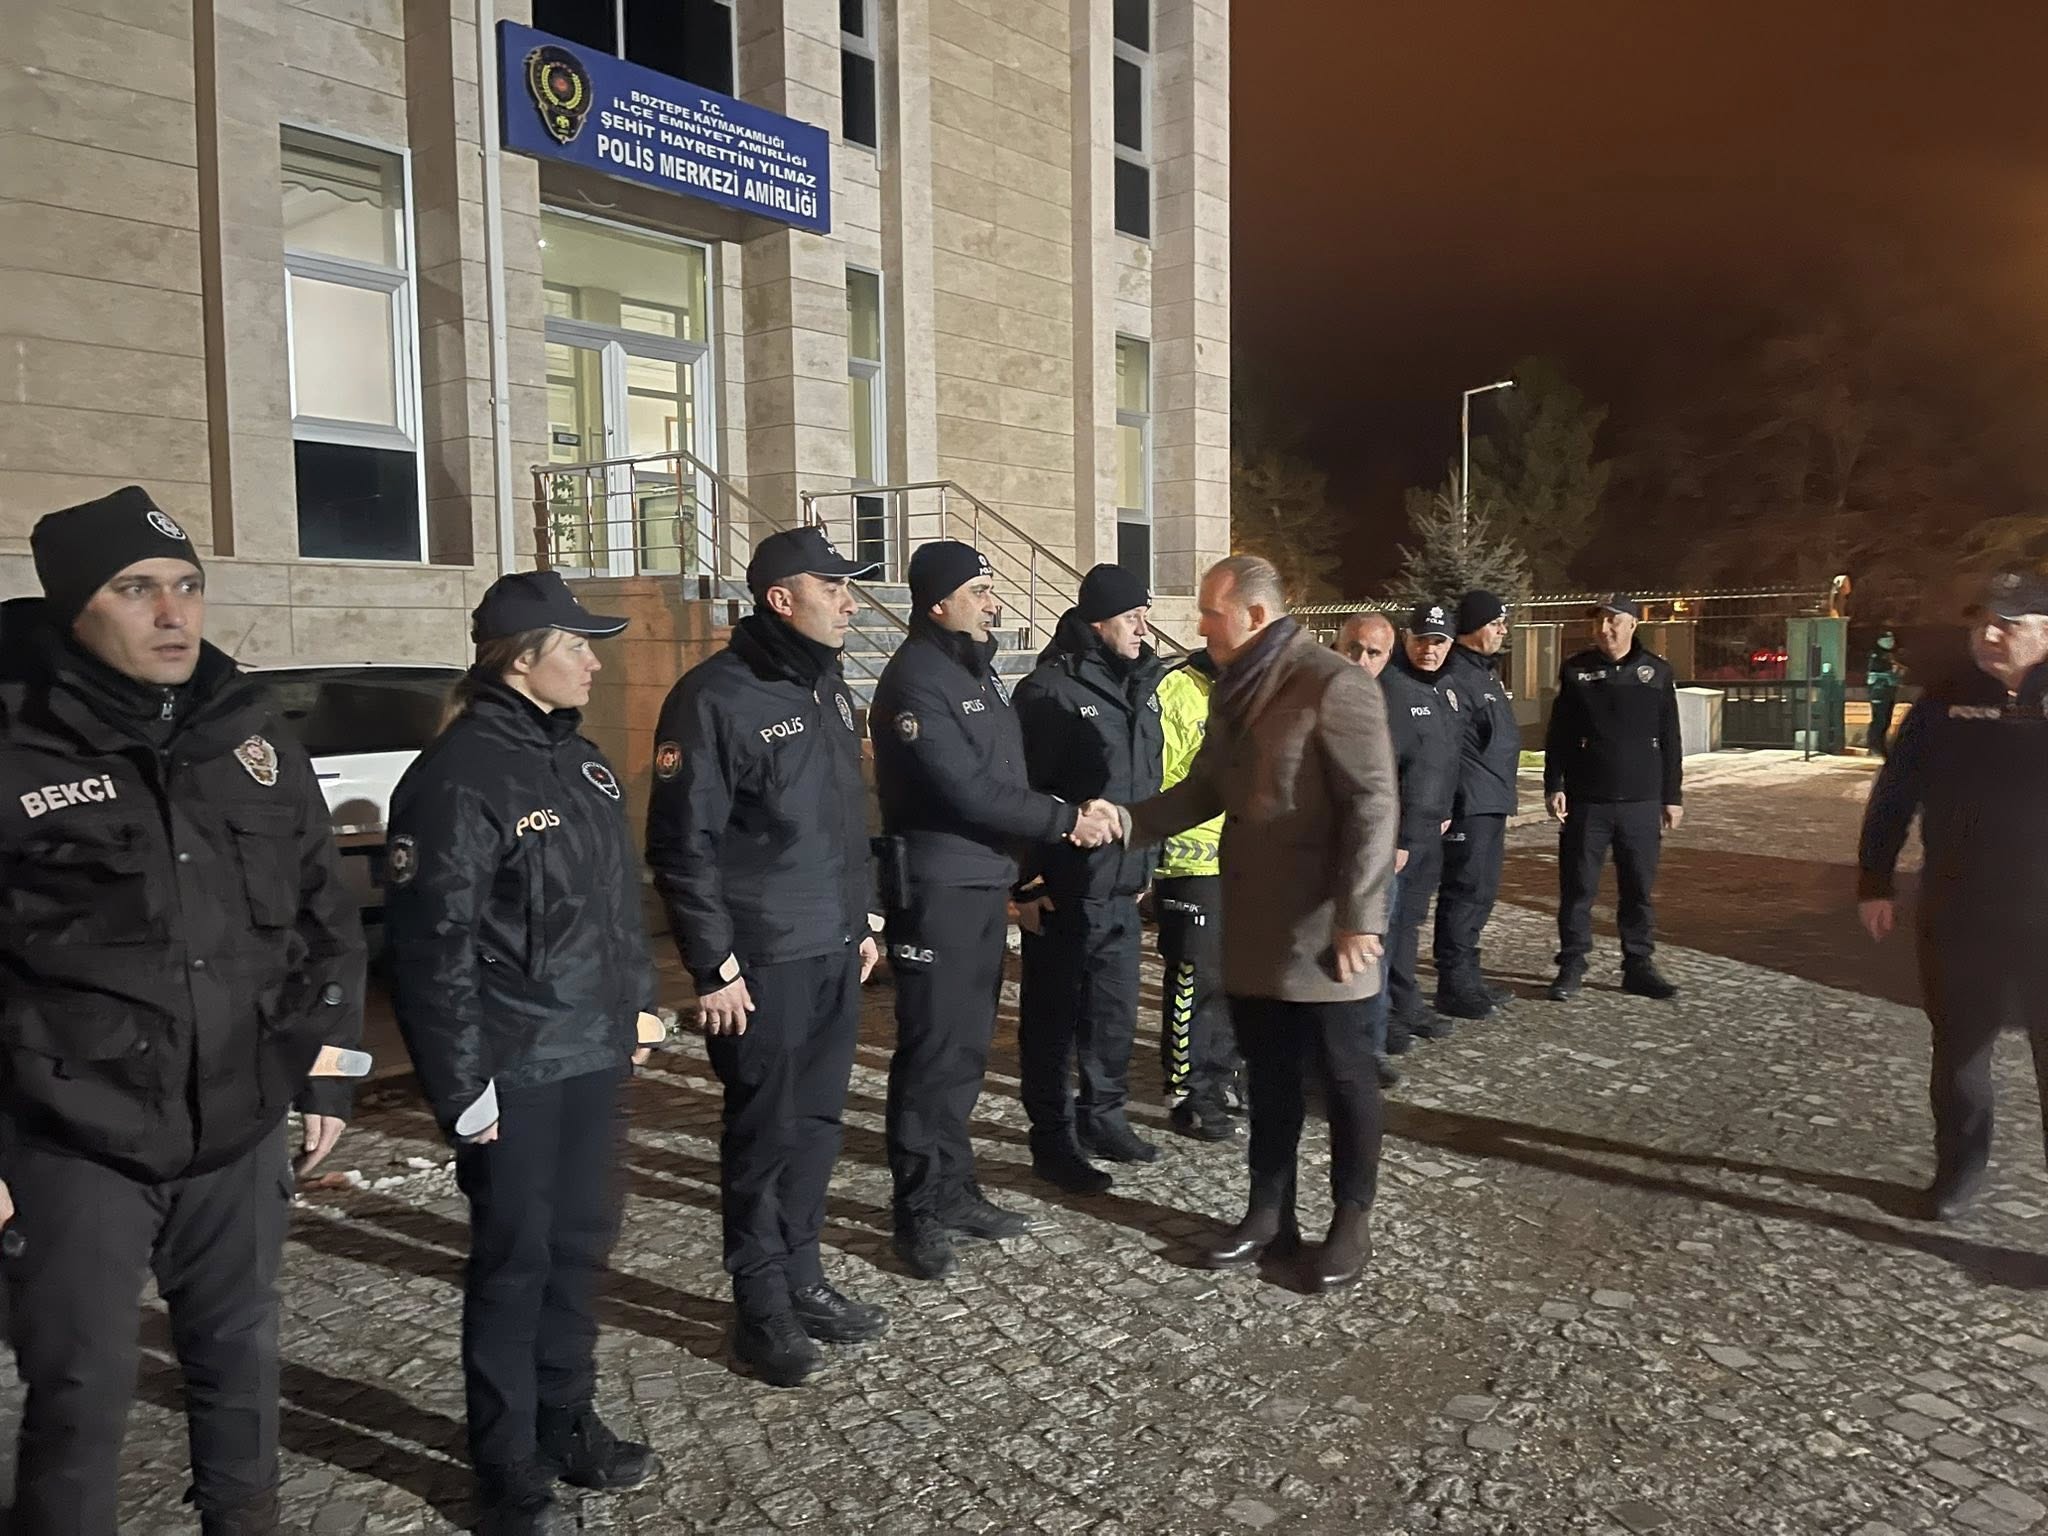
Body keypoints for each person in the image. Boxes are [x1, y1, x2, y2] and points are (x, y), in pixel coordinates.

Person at [0, 486, 363, 1536]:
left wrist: (328, 1062)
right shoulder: (19, 743)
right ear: (76, 606)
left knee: (241, 1358)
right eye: (136, 589)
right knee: (82, 1389)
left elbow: (318, 911)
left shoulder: (242, 731)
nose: (172, 614)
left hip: (236, 1123)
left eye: (188, 587)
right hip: (73, 1131)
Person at [385, 571, 660, 1536]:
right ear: (521, 658)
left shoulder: (580, 763)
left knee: (580, 1249)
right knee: (514, 1263)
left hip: (589, 1049)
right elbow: (433, 948)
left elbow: (614, 907)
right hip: (513, 1065)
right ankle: (505, 1461)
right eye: (577, 645)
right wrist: (461, 1089)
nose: (594, 659)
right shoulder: (458, 777)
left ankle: (566, 1418)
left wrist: (639, 1009)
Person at [1100, 555, 1399, 1292]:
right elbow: (1207, 786)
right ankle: (1270, 1214)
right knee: (1267, 1079)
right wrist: (1125, 821)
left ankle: (1350, 1222)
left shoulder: (1334, 684)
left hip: (1326, 931)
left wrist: (1360, 916)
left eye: (1210, 612)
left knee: (1345, 1075)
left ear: (1256, 616)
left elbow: (1373, 802)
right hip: (1255, 924)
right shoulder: (1238, 688)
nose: (1199, 625)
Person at [644, 527, 888, 1388]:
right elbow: (682, 846)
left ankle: (804, 1274)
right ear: (782, 598)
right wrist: (713, 967)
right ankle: (761, 1302)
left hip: (831, 944)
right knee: (762, 1133)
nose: (851, 601)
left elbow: (839, 821)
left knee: (819, 1125)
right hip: (763, 958)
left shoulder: (830, 690)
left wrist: (863, 916)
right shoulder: (713, 697)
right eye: (836, 586)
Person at [869, 541, 1118, 1279]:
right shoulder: (917, 681)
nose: (993, 602)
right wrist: (1066, 819)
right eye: (979, 590)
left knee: (968, 1050)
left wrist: (1024, 876)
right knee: (931, 1055)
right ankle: (916, 1208)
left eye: (991, 588)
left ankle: (954, 1188)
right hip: (939, 891)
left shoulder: (970, 673)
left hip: (983, 885)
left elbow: (1004, 777)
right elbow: (968, 791)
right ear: (938, 601)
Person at [1858, 569, 2048, 1222]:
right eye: (1981, 622)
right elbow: (1894, 794)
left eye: (2009, 623)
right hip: (1961, 910)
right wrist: (1874, 880)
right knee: (1960, 1050)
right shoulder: (1943, 702)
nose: (1989, 635)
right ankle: (1959, 1171)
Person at [1013, 565, 1166, 1184]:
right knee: (1054, 1019)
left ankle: (1103, 1115)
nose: (1142, 627)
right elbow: (1024, 794)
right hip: (1066, 887)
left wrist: (1144, 863)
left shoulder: (1141, 683)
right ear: (1098, 621)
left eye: (1144, 614)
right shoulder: (1049, 691)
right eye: (1131, 616)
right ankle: (1052, 1136)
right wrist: (1027, 884)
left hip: (1123, 885)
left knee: (1112, 1012)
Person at [1542, 595, 1684, 1002]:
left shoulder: (1656, 672)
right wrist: (1556, 783)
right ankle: (1572, 963)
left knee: (1638, 888)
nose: (1605, 629)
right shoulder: (1576, 670)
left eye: (1613, 621)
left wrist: (1671, 795)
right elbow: (1560, 734)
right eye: (1599, 622)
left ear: (1633, 624)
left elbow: (1671, 738)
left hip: (1641, 801)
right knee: (1578, 887)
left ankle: (1637, 964)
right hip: (1588, 801)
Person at [1370, 605, 1462, 1082]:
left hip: (1431, 828)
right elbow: (1389, 770)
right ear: (1407, 640)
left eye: (1440, 641)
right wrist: (1403, 833)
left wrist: (1444, 811)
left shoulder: (1443, 687)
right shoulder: (1390, 686)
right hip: (1402, 834)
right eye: (1423, 639)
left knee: (1408, 925)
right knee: (1383, 929)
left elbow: (1440, 760)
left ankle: (1405, 1003)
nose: (1431, 649)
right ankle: (1381, 1018)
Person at [1152, 646, 1240, 1140]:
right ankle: (1187, 1091)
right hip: (1190, 860)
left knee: (1235, 979)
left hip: (1244, 859)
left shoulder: (1254, 692)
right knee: (1195, 978)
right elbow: (1157, 776)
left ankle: (1222, 1075)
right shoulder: (1177, 690)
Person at [1433, 590, 1520, 1021]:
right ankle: (1454, 983)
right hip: (1470, 801)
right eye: (1495, 622)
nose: (1503, 629)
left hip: (1492, 799)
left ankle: (1469, 974)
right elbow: (1448, 746)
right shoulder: (1456, 675)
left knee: (1481, 893)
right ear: (1473, 628)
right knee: (1464, 892)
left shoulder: (1483, 673)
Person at [1866, 630, 1901, 757]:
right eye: (1888, 640)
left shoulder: (1889, 655)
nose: (1891, 642)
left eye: (1892, 640)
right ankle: (1875, 746)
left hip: (1889, 692)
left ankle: (1881, 745)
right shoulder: (1876, 655)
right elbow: (1875, 673)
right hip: (1879, 692)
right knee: (1879, 719)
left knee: (1886, 719)